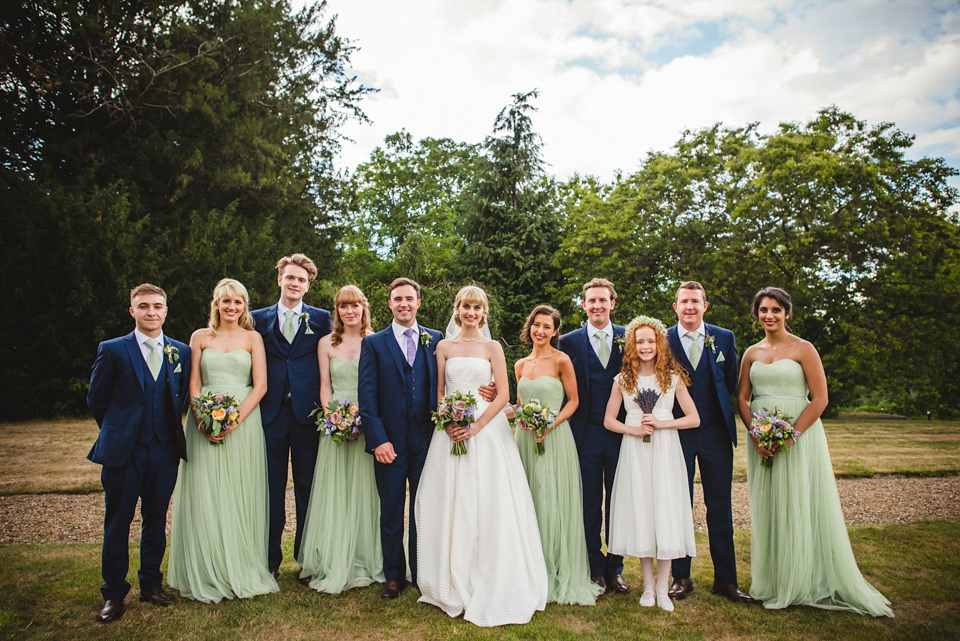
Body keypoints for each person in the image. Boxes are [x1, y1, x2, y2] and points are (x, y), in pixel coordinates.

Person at [737, 287, 893, 617]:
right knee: (771, 506)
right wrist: (756, 434)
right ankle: (773, 580)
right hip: (761, 437)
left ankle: (800, 581)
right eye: (763, 310)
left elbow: (820, 398)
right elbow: (743, 398)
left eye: (776, 310)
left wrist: (790, 437)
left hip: (798, 435)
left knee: (798, 502)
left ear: (787, 313)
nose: (769, 315)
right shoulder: (751, 352)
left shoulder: (804, 348)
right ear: (757, 314)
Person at [416, 286, 547, 626]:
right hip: (449, 433)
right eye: (465, 306)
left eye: (476, 307)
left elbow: (503, 394)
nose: (470, 312)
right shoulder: (444, 347)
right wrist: (448, 423)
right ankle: (447, 576)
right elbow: (440, 392)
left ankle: (491, 574)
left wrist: (475, 426)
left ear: (484, 311)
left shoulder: (493, 348)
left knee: (489, 503)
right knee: (448, 501)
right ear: (456, 310)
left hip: (486, 433)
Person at [87, 284, 191, 623]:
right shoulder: (113, 349)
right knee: (118, 521)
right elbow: (96, 399)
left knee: (156, 520)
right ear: (132, 311)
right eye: (143, 306)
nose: (151, 312)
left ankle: (150, 585)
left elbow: (182, 398)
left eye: (157, 306)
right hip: (124, 452)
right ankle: (114, 594)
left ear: (166, 310)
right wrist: (120, 430)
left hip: (165, 450)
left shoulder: (181, 351)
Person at [168, 278, 278, 602]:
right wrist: (202, 417)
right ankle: (206, 567)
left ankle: (240, 565)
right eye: (225, 301)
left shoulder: (253, 338)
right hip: (202, 422)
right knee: (206, 491)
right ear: (216, 304)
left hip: (243, 422)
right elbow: (193, 383)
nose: (231, 307)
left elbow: (260, 385)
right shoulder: (199, 337)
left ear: (245, 306)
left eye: (238, 302)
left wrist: (233, 419)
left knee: (239, 490)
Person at [666, 281, 755, 603]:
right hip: (677, 433)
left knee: (720, 508)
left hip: (716, 432)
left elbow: (728, 380)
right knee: (679, 505)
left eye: (695, 302)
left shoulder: (724, 337)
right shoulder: (664, 339)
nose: (690, 307)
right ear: (675, 307)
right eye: (684, 302)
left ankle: (726, 581)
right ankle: (681, 577)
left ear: (705, 306)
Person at [604, 315, 699, 611]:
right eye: (640, 341)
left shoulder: (672, 379)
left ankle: (662, 589)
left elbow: (694, 418)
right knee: (643, 512)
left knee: (664, 512)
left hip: (665, 450)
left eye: (651, 341)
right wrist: (631, 429)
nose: (645, 346)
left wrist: (661, 423)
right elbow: (609, 420)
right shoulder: (622, 380)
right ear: (632, 345)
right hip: (636, 452)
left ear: (660, 344)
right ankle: (647, 587)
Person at [357, 278, 443, 599]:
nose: (404, 304)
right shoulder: (374, 343)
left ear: (418, 302)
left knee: (424, 509)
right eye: (398, 299)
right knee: (392, 510)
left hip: (427, 441)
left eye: (409, 298)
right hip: (389, 443)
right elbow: (366, 396)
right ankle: (393, 575)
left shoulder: (435, 340)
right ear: (390, 303)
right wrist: (378, 439)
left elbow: (448, 381)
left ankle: (422, 572)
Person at [514, 305, 603, 606]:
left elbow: (574, 400)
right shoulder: (520, 364)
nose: (540, 331)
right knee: (528, 498)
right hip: (525, 438)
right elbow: (517, 404)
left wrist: (550, 424)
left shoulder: (562, 360)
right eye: (536, 325)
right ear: (530, 328)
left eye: (546, 327)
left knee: (550, 497)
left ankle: (557, 569)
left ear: (555, 331)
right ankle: (531, 570)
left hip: (554, 436)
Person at [251, 254, 332, 579]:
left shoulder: (322, 318)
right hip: (269, 414)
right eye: (290, 277)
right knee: (269, 489)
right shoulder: (257, 318)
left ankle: (306, 559)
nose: (295, 283)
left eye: (301, 279)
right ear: (279, 279)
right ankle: (269, 561)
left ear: (308, 284)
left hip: (307, 415)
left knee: (307, 488)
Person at [298, 285, 384, 592]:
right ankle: (332, 557)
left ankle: (364, 556)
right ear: (338, 311)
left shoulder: (375, 342)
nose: (350, 311)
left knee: (365, 490)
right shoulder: (326, 343)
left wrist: (362, 419)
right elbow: (325, 385)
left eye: (355, 306)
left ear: (364, 308)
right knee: (335, 491)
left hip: (367, 420)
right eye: (343, 306)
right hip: (336, 422)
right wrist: (333, 417)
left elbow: (379, 387)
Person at [558, 278, 629, 594]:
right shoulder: (569, 341)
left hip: (621, 435)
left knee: (619, 503)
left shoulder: (629, 338)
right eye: (592, 301)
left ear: (613, 303)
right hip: (583, 434)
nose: (597, 306)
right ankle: (593, 566)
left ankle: (615, 569)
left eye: (603, 300)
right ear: (583, 304)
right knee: (588, 504)